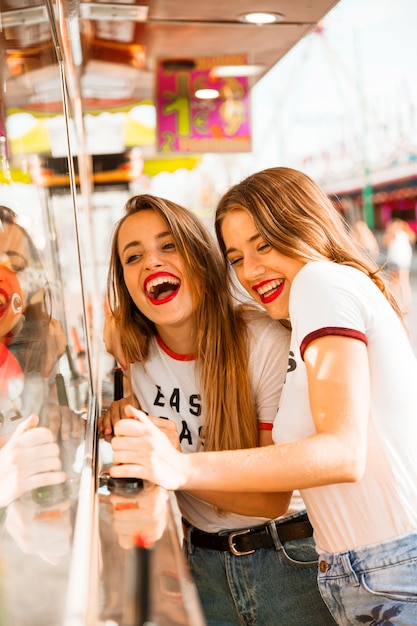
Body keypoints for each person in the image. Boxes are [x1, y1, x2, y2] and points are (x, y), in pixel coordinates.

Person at [108, 169, 417, 626]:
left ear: (302, 225)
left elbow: (341, 452)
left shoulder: (317, 285)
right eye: (236, 257)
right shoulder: (300, 318)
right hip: (351, 568)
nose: (250, 271)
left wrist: (179, 466)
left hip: (376, 566)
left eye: (264, 244)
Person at [99, 194, 335, 625]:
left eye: (169, 246)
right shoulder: (132, 351)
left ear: (202, 258)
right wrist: (122, 410)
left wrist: (173, 461)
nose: (151, 262)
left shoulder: (262, 341)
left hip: (290, 563)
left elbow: (270, 498)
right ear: (127, 284)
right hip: (202, 568)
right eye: (133, 257)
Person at [382, 217, 416, 313]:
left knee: (395, 283)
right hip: (404, 262)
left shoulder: (395, 235)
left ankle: (397, 304)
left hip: (396, 261)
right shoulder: (406, 235)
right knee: (403, 282)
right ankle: (405, 304)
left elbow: (386, 243)